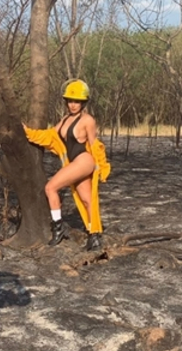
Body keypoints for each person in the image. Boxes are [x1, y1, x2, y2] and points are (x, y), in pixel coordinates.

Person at [24, 79, 111, 250]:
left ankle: (58, 227)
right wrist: (27, 132)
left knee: (50, 188)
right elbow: (49, 136)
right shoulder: (64, 120)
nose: (73, 105)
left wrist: (102, 165)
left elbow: (94, 144)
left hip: (85, 160)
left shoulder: (88, 120)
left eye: (77, 101)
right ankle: (94, 236)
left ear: (84, 102)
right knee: (86, 200)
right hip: (75, 162)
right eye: (70, 101)